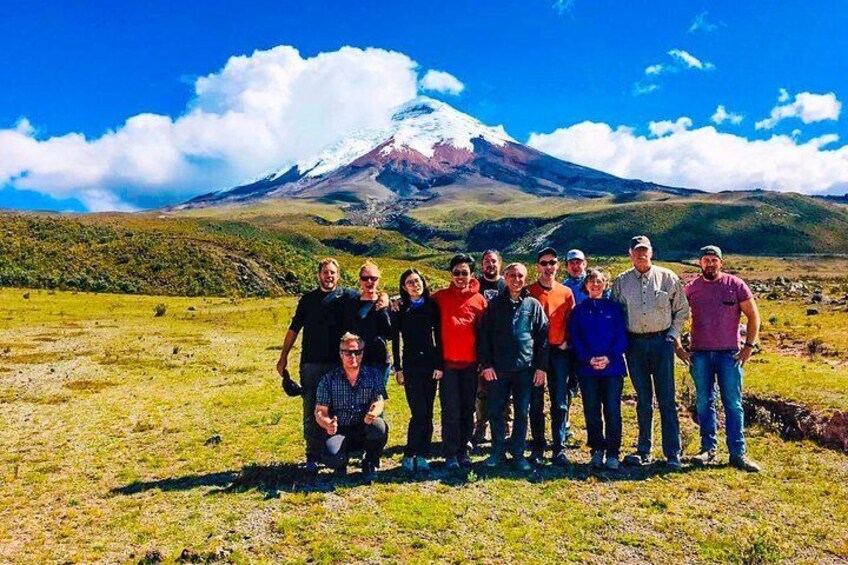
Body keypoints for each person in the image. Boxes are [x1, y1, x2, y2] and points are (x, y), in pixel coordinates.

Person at [677, 246, 762, 472]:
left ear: (721, 263)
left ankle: (737, 453)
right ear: (700, 263)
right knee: (704, 402)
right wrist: (679, 348)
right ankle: (708, 450)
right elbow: (676, 315)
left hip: (729, 354)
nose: (710, 264)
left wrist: (748, 347)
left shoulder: (735, 285)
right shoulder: (692, 289)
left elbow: (754, 317)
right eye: (706, 260)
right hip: (700, 353)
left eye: (714, 260)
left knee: (733, 403)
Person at [612, 235, 690, 469]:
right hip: (635, 346)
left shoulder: (668, 278)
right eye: (637, 251)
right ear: (630, 254)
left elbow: (682, 310)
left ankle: (672, 453)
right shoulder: (621, 282)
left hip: (661, 343)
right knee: (643, 400)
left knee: (667, 399)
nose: (641, 254)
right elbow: (617, 314)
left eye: (645, 250)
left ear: (651, 252)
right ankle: (644, 450)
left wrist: (672, 337)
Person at [276, 257, 355, 475]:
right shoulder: (308, 300)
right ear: (319, 275)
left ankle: (338, 454)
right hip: (311, 364)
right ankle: (312, 455)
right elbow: (294, 329)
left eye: (332, 273)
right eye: (325, 272)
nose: (329, 276)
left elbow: (371, 296)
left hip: (339, 365)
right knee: (312, 409)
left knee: (339, 409)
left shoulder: (347, 297)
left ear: (338, 276)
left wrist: (386, 298)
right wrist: (283, 357)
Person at [479, 263, 549, 471]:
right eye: (512, 276)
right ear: (505, 278)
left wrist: (541, 368)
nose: (516, 279)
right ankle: (497, 452)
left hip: (525, 370)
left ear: (525, 279)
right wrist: (487, 364)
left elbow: (542, 338)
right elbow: (484, 337)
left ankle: (518, 454)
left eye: (520, 276)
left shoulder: (533, 305)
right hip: (499, 370)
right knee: (495, 411)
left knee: (522, 413)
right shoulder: (494, 305)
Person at [432, 254, 488, 469]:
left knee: (467, 409)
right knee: (450, 409)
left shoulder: (479, 300)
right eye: (456, 272)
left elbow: (484, 334)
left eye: (464, 273)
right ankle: (450, 451)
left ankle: (463, 448)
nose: (460, 277)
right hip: (447, 365)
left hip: (471, 365)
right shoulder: (440, 297)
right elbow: (419, 304)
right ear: (451, 274)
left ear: (472, 274)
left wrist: (484, 361)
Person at [569, 269, 628, 470]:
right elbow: (575, 338)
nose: (595, 284)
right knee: (592, 411)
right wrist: (588, 358)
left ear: (605, 284)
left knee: (612, 410)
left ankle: (613, 452)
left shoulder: (615, 308)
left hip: (612, 369)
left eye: (599, 281)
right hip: (587, 369)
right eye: (592, 281)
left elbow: (622, 336)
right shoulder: (578, 310)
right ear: (585, 285)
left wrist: (609, 357)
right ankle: (596, 449)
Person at [315, 333, 388, 482]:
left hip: (364, 426)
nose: (352, 356)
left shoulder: (373, 375)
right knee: (331, 455)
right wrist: (327, 423)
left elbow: (379, 401)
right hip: (340, 429)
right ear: (341, 354)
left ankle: (369, 462)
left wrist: (373, 413)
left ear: (362, 354)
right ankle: (340, 464)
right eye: (348, 352)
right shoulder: (328, 380)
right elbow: (320, 411)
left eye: (357, 352)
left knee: (379, 427)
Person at [527, 247, 576, 466]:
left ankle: (559, 447)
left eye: (552, 263)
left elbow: (572, 321)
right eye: (544, 263)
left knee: (560, 402)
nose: (548, 267)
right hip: (535, 354)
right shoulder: (529, 292)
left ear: (558, 266)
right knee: (535, 402)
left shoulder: (566, 292)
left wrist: (568, 340)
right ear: (538, 266)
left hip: (559, 353)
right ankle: (538, 446)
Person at [391, 269, 443, 473]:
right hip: (410, 365)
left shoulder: (432, 306)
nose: (415, 285)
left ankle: (423, 454)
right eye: (410, 282)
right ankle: (409, 452)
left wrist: (439, 365)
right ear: (404, 287)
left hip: (430, 365)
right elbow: (395, 339)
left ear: (423, 282)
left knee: (428, 411)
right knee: (417, 411)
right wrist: (398, 367)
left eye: (417, 281)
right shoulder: (400, 308)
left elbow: (439, 338)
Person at [473, 249, 511, 445]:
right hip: (479, 344)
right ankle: (480, 426)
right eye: (487, 261)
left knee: (505, 390)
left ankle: (505, 426)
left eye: (494, 261)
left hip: (503, 346)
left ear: (500, 264)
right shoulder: (475, 285)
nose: (490, 265)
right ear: (482, 265)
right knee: (481, 390)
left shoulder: (507, 284)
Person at [342, 260, 392, 387]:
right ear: (360, 280)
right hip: (357, 359)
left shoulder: (386, 304)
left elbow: (390, 333)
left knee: (376, 400)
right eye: (365, 278)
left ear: (378, 280)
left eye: (373, 278)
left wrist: (384, 304)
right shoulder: (352, 304)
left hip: (380, 360)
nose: (369, 282)